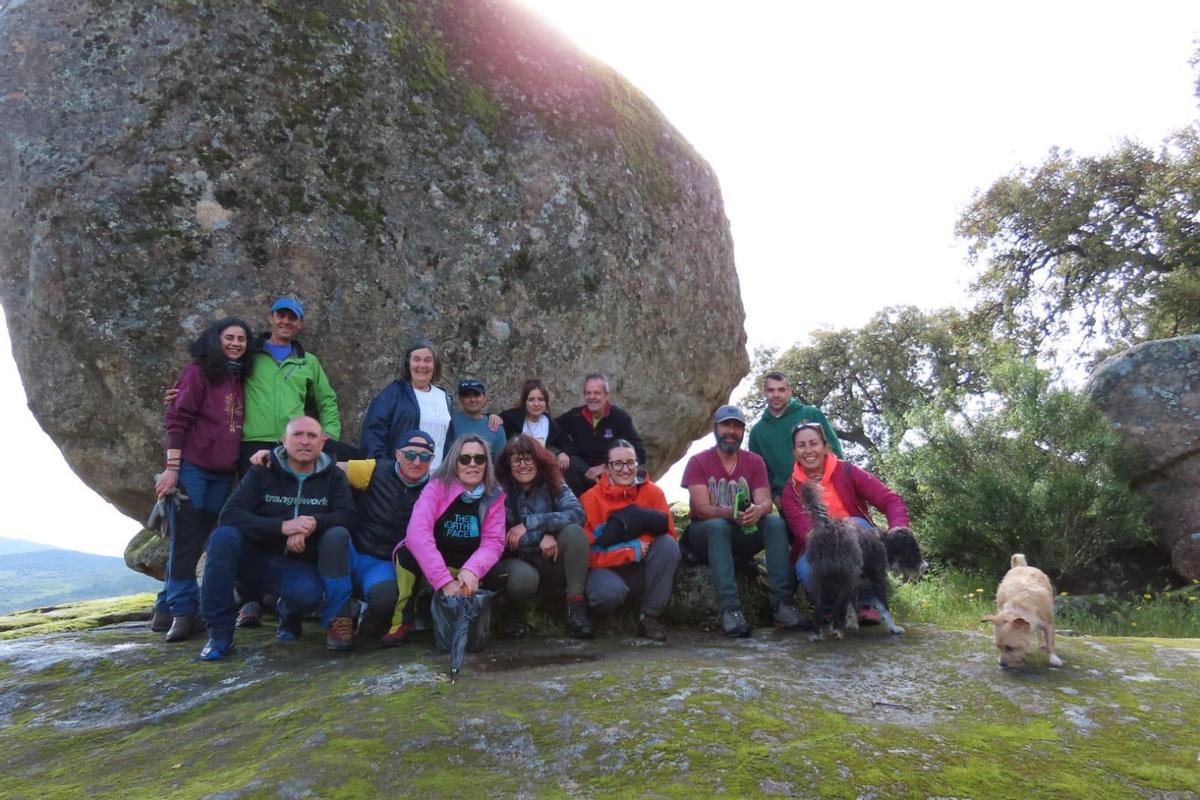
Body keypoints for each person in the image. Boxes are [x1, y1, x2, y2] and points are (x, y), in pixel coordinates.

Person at [197, 416, 357, 661]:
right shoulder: (263, 471)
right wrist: (282, 527)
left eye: (312, 436)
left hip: (297, 563)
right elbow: (229, 515)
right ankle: (219, 635)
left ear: (322, 443)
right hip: (255, 559)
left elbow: (347, 516)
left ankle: (289, 616)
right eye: (298, 435)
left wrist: (311, 524)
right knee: (222, 538)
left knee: (310, 592)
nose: (305, 441)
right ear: (284, 440)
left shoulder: (333, 476)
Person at [150, 317, 256, 643]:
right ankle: (183, 614)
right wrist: (171, 468)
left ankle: (164, 608)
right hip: (193, 469)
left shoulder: (239, 378)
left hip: (222, 474)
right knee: (186, 542)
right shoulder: (198, 372)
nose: (236, 343)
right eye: (229, 337)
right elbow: (177, 418)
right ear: (216, 339)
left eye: (241, 339)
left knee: (205, 539)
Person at [383, 434, 530, 646]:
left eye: (479, 459)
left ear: (487, 464)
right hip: (434, 564)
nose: (472, 464)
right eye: (465, 459)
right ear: (454, 461)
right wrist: (443, 581)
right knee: (407, 555)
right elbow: (417, 534)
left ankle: (482, 620)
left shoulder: (494, 496)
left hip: (468, 565)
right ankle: (403, 620)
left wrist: (472, 570)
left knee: (505, 574)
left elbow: (493, 542)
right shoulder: (436, 487)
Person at [680, 405, 803, 637]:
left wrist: (758, 510)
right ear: (715, 428)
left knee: (775, 524)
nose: (731, 431)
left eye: (737, 426)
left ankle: (783, 605)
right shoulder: (698, 462)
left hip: (743, 532)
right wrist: (731, 514)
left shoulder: (754, 462)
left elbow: (766, 501)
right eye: (726, 425)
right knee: (717, 526)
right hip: (705, 535)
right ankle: (731, 610)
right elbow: (702, 508)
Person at [316, 431, 437, 650]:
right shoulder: (374, 469)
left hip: (382, 562)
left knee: (386, 600)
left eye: (425, 457)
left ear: (433, 459)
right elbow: (326, 467)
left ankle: (371, 618)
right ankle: (340, 619)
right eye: (410, 455)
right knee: (334, 537)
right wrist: (274, 457)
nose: (417, 462)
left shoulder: (434, 490)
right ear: (397, 454)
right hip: (353, 550)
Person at [780, 422, 910, 623]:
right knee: (807, 570)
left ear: (824, 445)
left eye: (813, 443)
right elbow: (805, 532)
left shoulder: (848, 471)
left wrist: (899, 531)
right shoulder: (791, 490)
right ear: (794, 451)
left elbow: (890, 500)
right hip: (819, 545)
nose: (808, 450)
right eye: (801, 445)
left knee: (858, 524)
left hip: (859, 537)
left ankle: (866, 603)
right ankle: (833, 607)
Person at [580, 439, 679, 642]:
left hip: (639, 571)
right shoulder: (591, 499)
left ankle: (649, 617)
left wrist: (642, 538)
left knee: (668, 546)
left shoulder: (653, 492)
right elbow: (587, 554)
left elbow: (669, 536)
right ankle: (601, 618)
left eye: (631, 463)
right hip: (604, 571)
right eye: (618, 464)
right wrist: (629, 550)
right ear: (606, 468)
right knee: (608, 593)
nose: (625, 469)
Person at [495, 435, 592, 638]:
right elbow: (505, 538)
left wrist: (533, 525)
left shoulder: (554, 481)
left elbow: (577, 514)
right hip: (516, 561)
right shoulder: (499, 490)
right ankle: (511, 610)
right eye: (516, 460)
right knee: (524, 579)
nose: (523, 465)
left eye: (528, 459)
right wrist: (541, 537)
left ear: (538, 460)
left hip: (549, 558)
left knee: (574, 533)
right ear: (508, 464)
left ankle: (575, 607)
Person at [360, 339, 456, 468]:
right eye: (416, 359)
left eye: (427, 360)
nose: (422, 365)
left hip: (436, 480)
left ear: (435, 365)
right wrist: (383, 469)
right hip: (401, 479)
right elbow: (373, 433)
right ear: (408, 364)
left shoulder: (444, 398)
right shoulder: (393, 394)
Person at [748, 371, 842, 499]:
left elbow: (834, 450)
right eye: (771, 390)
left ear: (789, 391)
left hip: (827, 491)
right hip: (789, 500)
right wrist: (776, 498)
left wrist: (840, 483)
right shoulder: (757, 433)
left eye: (781, 390)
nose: (776, 395)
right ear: (765, 392)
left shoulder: (812, 414)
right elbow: (761, 474)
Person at [555, 373, 647, 496]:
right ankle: (578, 509)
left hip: (612, 477)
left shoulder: (620, 418)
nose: (592, 397)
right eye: (588, 393)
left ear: (606, 395)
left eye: (597, 393)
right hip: (584, 476)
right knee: (570, 464)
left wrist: (606, 468)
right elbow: (552, 429)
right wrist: (564, 451)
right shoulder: (575, 416)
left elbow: (640, 453)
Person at [494, 379, 570, 454]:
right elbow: (491, 419)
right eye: (531, 400)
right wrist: (492, 416)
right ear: (525, 402)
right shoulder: (512, 418)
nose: (536, 404)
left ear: (546, 403)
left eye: (540, 399)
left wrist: (563, 453)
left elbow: (568, 445)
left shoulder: (550, 424)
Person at [450, 379, 508, 464]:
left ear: (485, 398)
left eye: (476, 395)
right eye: (467, 395)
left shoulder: (495, 426)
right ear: (460, 399)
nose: (472, 399)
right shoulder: (450, 422)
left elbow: (502, 464)